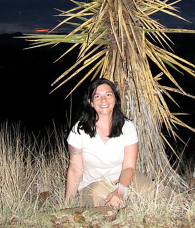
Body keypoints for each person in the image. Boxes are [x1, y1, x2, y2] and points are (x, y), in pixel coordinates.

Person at [65, 78, 151, 208]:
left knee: (150, 190)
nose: (103, 100)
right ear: (91, 103)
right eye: (97, 96)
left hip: (121, 180)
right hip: (93, 185)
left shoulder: (127, 127)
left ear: (115, 100)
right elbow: (75, 170)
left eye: (108, 95)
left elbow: (129, 167)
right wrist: (68, 203)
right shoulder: (79, 131)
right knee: (101, 194)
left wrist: (120, 190)